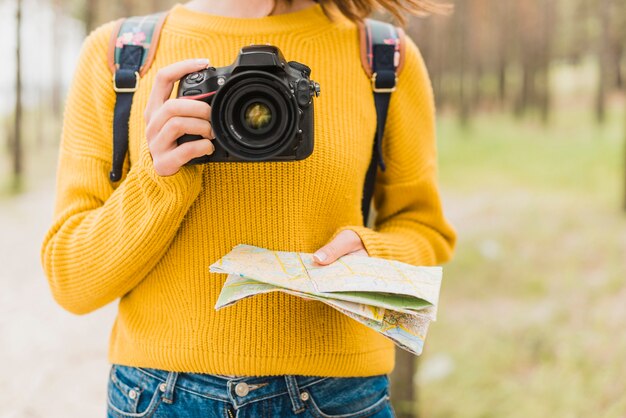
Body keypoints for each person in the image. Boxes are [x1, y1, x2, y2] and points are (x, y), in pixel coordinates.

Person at [41, 0, 456, 416]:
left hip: (338, 395)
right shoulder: (122, 54)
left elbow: (424, 230)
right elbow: (72, 282)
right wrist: (157, 179)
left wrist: (372, 257)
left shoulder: (384, 56)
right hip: (158, 397)